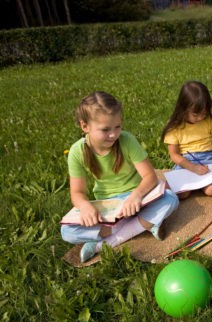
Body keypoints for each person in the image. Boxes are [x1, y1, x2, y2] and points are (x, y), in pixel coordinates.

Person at [61, 92, 179, 263]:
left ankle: (104, 244)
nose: (113, 134)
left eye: (117, 127)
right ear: (84, 126)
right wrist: (85, 206)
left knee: (170, 199)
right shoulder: (77, 152)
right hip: (108, 206)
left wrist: (136, 195)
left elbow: (150, 176)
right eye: (105, 129)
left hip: (136, 198)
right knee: (67, 232)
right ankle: (142, 224)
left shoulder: (127, 141)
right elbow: (77, 192)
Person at [162, 81, 212, 199]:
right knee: (182, 193)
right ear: (183, 109)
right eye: (196, 114)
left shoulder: (209, 121)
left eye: (204, 113)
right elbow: (174, 154)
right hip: (185, 162)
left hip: (207, 161)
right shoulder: (175, 126)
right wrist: (192, 167)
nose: (201, 117)